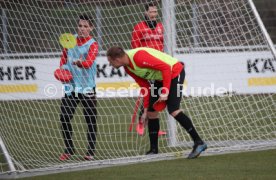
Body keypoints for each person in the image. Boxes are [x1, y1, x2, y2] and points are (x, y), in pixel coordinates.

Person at [106, 46, 207, 159]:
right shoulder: (128, 68)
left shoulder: (138, 57)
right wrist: (145, 110)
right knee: (150, 112)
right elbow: (145, 87)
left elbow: (166, 68)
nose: (110, 65)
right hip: (161, 79)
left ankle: (199, 142)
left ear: (117, 59)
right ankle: (154, 150)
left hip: (174, 72)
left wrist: (165, 91)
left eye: (110, 62)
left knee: (173, 110)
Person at [57, 14, 98, 161]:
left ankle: (90, 151)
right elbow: (63, 59)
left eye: (85, 26)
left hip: (87, 88)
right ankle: (69, 148)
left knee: (90, 120)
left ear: (91, 28)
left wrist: (80, 63)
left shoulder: (93, 44)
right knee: (64, 117)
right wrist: (62, 70)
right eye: (80, 26)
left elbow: (88, 63)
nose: (82, 29)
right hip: (72, 87)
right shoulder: (70, 40)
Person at [131, 2, 166, 136]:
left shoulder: (161, 27)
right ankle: (142, 122)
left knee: (156, 97)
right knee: (149, 96)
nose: (153, 15)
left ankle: (153, 127)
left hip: (159, 66)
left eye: (155, 12)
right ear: (145, 13)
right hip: (146, 67)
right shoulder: (139, 27)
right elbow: (135, 47)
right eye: (151, 12)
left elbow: (163, 45)